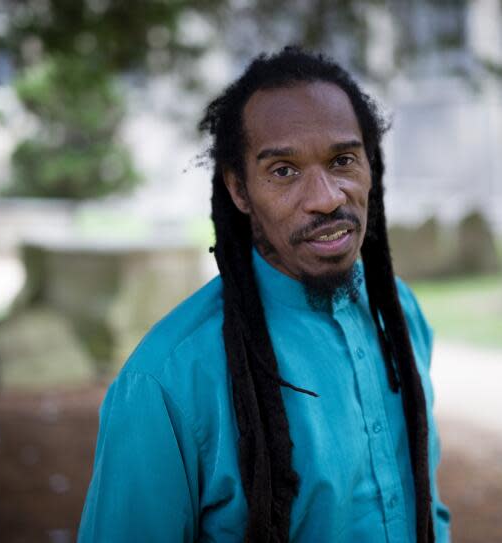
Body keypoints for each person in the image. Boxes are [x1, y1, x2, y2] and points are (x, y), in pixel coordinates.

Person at [78, 46, 451, 543]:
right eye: (283, 171)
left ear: (370, 166)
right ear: (239, 189)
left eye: (343, 160)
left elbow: (428, 507)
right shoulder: (165, 382)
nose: (326, 198)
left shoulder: (400, 317)